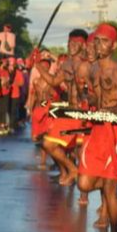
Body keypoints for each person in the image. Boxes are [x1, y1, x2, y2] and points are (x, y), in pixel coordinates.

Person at [77, 23, 117, 232]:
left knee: (110, 189)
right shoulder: (93, 70)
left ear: (114, 45)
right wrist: (85, 99)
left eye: (104, 41)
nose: (99, 44)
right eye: (97, 40)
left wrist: (111, 112)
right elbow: (93, 98)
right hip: (99, 128)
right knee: (83, 182)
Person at [36, 29, 90, 186]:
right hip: (71, 111)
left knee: (80, 151)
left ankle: (79, 185)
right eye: (69, 42)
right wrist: (37, 65)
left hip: (83, 112)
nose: (70, 46)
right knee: (49, 144)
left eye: (75, 43)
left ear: (83, 44)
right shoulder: (67, 63)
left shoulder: (89, 64)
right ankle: (71, 170)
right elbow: (53, 81)